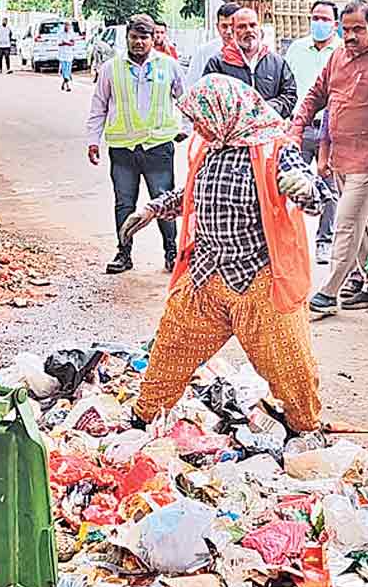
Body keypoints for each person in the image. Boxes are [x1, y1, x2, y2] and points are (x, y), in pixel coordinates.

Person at [124, 74, 335, 433]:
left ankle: (305, 430)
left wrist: (305, 187)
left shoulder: (274, 149)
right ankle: (143, 419)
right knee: (170, 353)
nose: (197, 127)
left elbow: (315, 195)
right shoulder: (209, 147)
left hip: (259, 280)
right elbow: (192, 195)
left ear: (225, 112)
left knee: (290, 367)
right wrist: (152, 210)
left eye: (202, 119)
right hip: (204, 277)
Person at [291, 0, 368, 316]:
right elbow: (318, 95)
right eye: (346, 29)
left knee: (346, 222)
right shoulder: (338, 56)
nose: (351, 35)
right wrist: (297, 126)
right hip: (342, 155)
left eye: (358, 29)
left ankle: (329, 293)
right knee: (363, 223)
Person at [86, 15, 186, 274]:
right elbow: (99, 105)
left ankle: (171, 253)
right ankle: (124, 253)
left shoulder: (169, 66)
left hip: (158, 148)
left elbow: (186, 101)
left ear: (154, 38)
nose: (139, 42)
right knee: (124, 204)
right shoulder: (111, 68)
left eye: (144, 37)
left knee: (164, 202)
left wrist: (185, 129)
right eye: (134, 37)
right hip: (123, 150)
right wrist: (92, 140)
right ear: (127, 37)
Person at [285, 0, 342, 264]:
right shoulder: (296, 49)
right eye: (315, 18)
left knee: (328, 187)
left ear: (335, 24)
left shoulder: (342, 51)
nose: (319, 23)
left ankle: (324, 240)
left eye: (325, 19)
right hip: (299, 127)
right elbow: (286, 88)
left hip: (330, 129)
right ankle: (287, 240)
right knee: (289, 182)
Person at [205, 8, 298, 117]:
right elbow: (208, 99)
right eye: (242, 26)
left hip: (270, 130)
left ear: (259, 28)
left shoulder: (277, 63)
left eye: (252, 25)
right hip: (233, 132)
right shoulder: (218, 63)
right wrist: (239, 114)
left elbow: (289, 96)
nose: (249, 30)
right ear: (233, 31)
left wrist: (265, 109)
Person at [186, 2, 240, 90]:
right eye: (224, 26)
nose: (229, 31)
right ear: (218, 27)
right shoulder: (204, 53)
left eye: (232, 26)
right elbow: (191, 87)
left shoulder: (251, 53)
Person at [58, 22, 76, 91]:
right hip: (62, 55)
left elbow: (73, 43)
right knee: (64, 70)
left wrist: (66, 43)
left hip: (69, 55)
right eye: (66, 26)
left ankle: (64, 84)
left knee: (68, 71)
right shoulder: (60, 34)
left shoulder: (71, 34)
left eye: (68, 26)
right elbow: (59, 43)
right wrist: (66, 43)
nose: (67, 27)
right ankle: (68, 86)